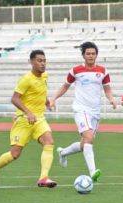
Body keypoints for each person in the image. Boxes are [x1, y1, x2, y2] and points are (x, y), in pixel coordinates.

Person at [0, 50, 57, 190]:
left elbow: (39, 92)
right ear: (31, 62)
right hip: (24, 120)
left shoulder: (45, 76)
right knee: (15, 154)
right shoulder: (26, 79)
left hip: (39, 119)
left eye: (44, 60)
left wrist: (47, 102)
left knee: (49, 142)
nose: (43, 63)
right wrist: (28, 112)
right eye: (39, 60)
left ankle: (43, 177)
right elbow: (14, 98)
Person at [50, 41, 116, 182]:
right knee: (89, 138)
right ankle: (93, 172)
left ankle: (63, 153)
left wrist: (111, 99)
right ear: (83, 55)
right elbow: (65, 86)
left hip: (95, 112)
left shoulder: (103, 71)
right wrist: (54, 98)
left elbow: (107, 88)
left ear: (96, 55)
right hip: (81, 109)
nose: (91, 56)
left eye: (93, 53)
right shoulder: (75, 71)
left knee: (83, 144)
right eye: (88, 54)